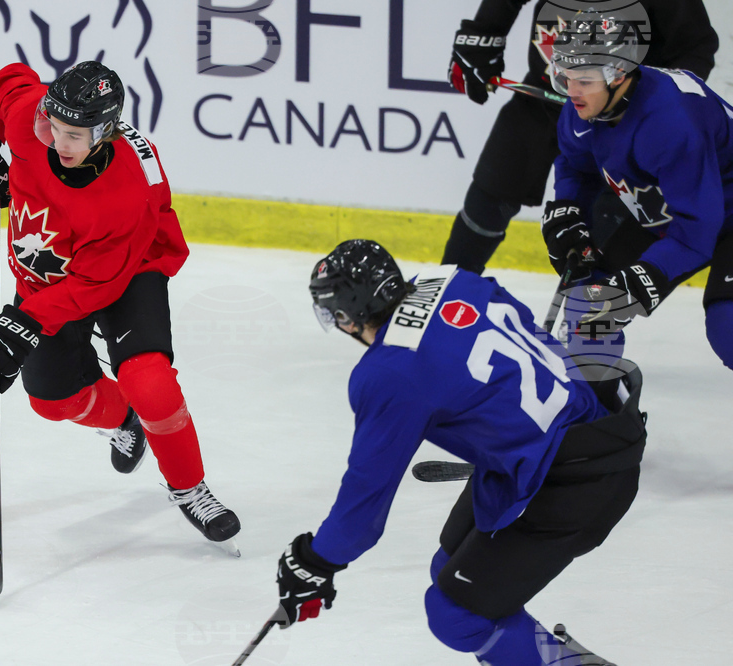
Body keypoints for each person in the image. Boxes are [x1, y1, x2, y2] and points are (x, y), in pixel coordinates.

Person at [274, 240, 647, 665]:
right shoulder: (451, 279)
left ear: (345, 316)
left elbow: (364, 503)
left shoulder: (388, 374)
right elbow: (523, 338)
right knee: (449, 569)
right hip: (587, 424)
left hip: (576, 478)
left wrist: (316, 560)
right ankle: (546, 656)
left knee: (455, 616)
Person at [0, 60, 241, 553]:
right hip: (51, 271)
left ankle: (188, 486)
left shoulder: (129, 192)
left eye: (73, 135)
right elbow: (9, 81)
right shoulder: (34, 121)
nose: (57, 143)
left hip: (127, 268)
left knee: (147, 379)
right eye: (53, 126)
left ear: (105, 132)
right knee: (51, 399)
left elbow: (97, 282)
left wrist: (22, 323)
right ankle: (127, 420)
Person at [443, 0, 717, 275]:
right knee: (490, 195)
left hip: (620, 120)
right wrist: (482, 35)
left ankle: (584, 313)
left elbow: (695, 48)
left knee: (599, 239)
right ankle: (446, 292)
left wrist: (654, 105)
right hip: (543, 100)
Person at [541, 10, 733, 372]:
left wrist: (647, 277)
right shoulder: (584, 104)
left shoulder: (671, 123)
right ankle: (597, 424)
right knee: (590, 316)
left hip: (719, 213)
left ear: (619, 75)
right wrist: (568, 208)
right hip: (674, 209)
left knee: (729, 328)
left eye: (583, 80)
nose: (572, 91)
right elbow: (575, 165)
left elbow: (695, 233)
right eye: (565, 76)